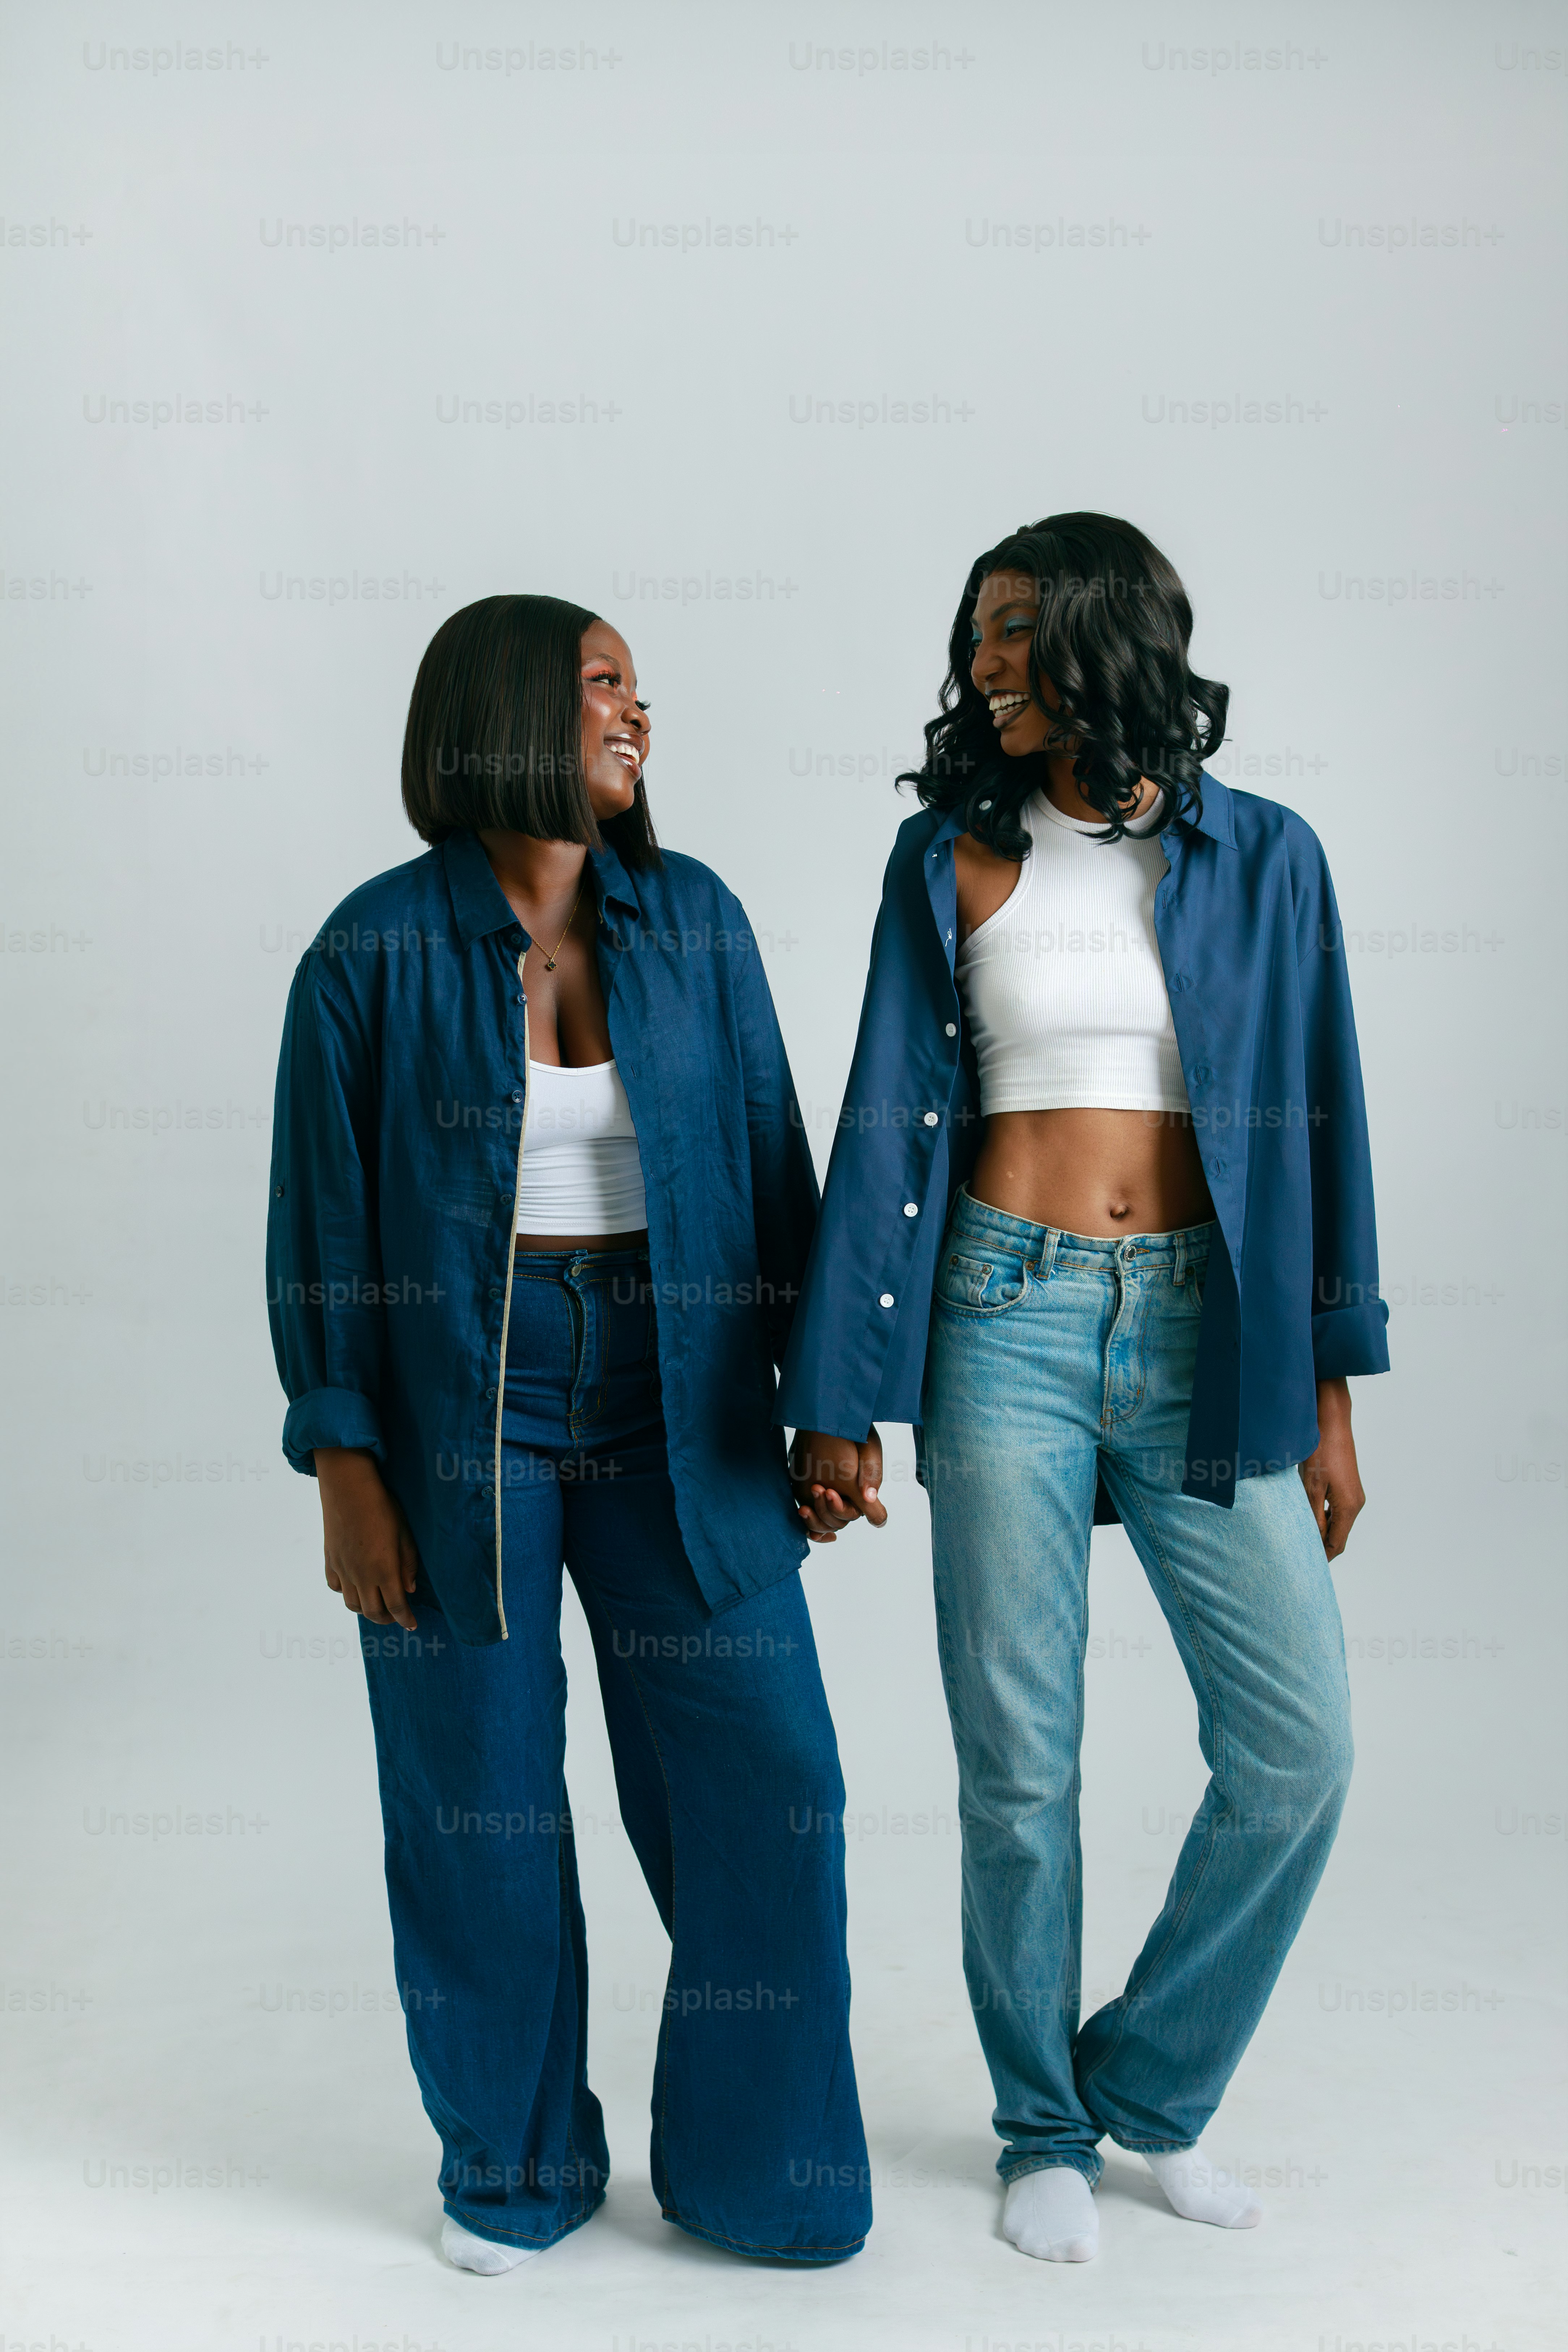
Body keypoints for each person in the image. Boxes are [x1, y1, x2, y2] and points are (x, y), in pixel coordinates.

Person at [779, 515, 1387, 2264]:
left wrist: (1335, 1389)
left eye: (1021, 630)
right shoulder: (948, 859)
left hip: (1214, 1327)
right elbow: (882, 1112)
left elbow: (1324, 1120)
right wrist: (840, 1391)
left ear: (1109, 638)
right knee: (1019, 1758)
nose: (984, 664)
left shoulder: (1269, 857)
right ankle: (1041, 2126)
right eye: (975, 633)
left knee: (1298, 1749)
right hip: (1002, 1313)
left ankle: (1153, 2090)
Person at [266, 595, 870, 2271]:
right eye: (605, 684)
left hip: (683, 1395)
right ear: (511, 710)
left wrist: (825, 1409)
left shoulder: (695, 925)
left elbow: (774, 1174)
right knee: (482, 1798)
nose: (637, 715)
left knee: (775, 1784)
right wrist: (346, 1463)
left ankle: (763, 2176)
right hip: (467, 1404)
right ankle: (516, 2171)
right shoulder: (369, 952)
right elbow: (319, 1228)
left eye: (637, 690)